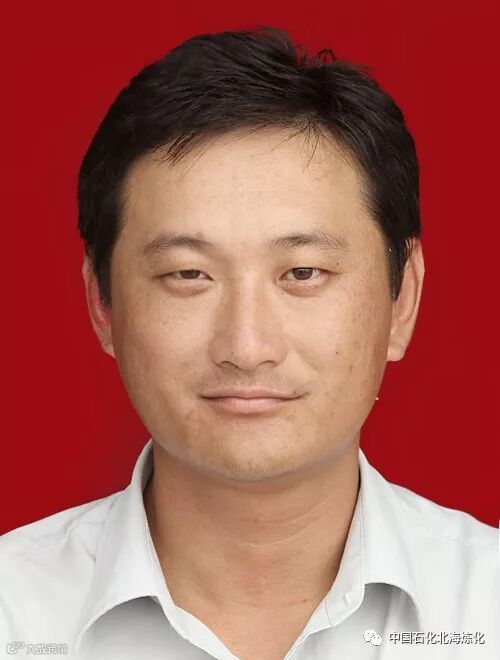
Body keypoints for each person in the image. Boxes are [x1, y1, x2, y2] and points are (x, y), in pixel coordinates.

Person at [1, 25, 498, 660]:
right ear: (103, 303)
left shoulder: (486, 606)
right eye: (188, 275)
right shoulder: (13, 610)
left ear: (402, 300)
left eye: (303, 273)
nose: (247, 345)